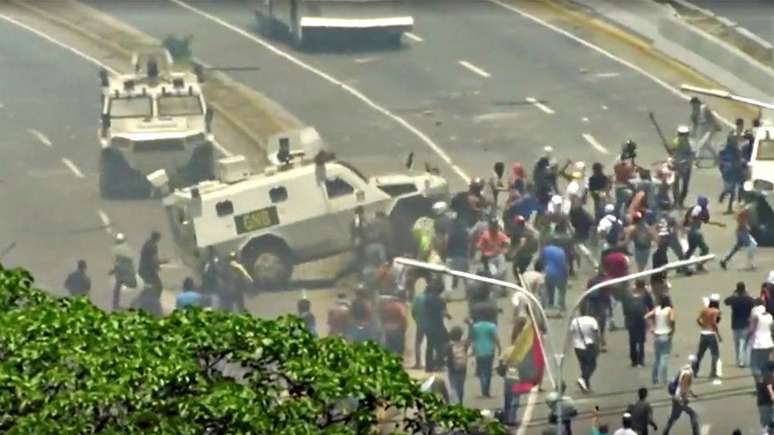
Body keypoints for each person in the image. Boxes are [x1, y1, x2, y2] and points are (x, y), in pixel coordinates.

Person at [500, 317, 528, 427]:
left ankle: (507, 417)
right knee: (515, 399)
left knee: (507, 398)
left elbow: (501, 362)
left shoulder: (508, 350)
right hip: (518, 378)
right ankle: (512, 418)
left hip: (508, 377)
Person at [663, 356, 700, 435]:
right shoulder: (688, 373)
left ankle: (665, 432)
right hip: (680, 399)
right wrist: (682, 400)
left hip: (677, 397)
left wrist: (693, 394)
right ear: (694, 364)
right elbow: (683, 386)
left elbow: (682, 385)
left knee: (674, 417)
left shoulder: (683, 369)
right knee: (693, 414)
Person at [470, 306, 500, 397]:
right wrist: (499, 347)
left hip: (479, 350)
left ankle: (483, 387)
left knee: (481, 369)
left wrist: (473, 350)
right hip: (490, 350)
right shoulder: (491, 326)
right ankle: (486, 389)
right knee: (488, 370)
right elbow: (495, 338)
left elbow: (473, 339)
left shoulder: (475, 326)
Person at [645, 295, 675, 385]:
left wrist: (652, 327)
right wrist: (672, 329)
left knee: (657, 358)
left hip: (657, 335)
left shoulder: (657, 309)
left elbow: (646, 316)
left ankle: (654, 378)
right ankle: (663, 379)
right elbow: (672, 320)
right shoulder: (670, 310)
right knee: (664, 357)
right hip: (666, 334)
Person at [623, 279, 654, 367]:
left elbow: (624, 307)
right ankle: (640, 360)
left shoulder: (628, 293)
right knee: (641, 339)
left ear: (635, 284)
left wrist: (626, 316)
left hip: (630, 319)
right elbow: (651, 306)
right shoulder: (645, 293)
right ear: (643, 285)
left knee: (632, 339)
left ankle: (633, 360)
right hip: (641, 319)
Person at [723, 282, 754, 367]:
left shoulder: (734, 299)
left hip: (735, 324)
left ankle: (738, 360)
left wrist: (733, 294)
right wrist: (747, 294)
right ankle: (743, 360)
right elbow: (754, 303)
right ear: (744, 289)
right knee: (744, 343)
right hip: (746, 324)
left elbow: (725, 301)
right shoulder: (748, 299)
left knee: (737, 344)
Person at [571, 304, 600, 392]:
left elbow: (571, 332)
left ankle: (586, 385)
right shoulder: (592, 320)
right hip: (589, 345)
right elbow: (596, 334)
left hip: (577, 346)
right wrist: (598, 346)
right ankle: (582, 378)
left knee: (583, 366)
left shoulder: (575, 321)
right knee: (592, 365)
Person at [692, 294, 721, 379]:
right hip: (711, 334)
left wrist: (702, 325)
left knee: (700, 354)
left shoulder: (704, 310)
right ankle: (713, 372)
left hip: (703, 334)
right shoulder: (716, 311)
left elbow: (698, 320)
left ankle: (695, 370)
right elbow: (714, 323)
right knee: (715, 354)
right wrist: (718, 335)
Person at [424, 278, 449, 372]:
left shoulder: (427, 298)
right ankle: (439, 362)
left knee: (429, 346)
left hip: (428, 324)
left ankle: (429, 366)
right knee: (442, 344)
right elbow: (443, 313)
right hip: (438, 324)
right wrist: (448, 315)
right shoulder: (440, 300)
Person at [137, 231, 164, 315]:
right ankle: (152, 303)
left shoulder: (147, 243)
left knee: (151, 286)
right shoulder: (152, 246)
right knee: (158, 286)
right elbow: (152, 260)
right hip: (148, 270)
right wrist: (157, 266)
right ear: (157, 238)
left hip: (144, 269)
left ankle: (147, 302)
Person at [109, 233, 137, 311]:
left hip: (121, 272)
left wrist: (112, 270)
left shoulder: (116, 249)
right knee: (133, 285)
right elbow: (132, 259)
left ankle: (115, 304)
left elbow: (116, 262)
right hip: (128, 271)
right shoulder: (127, 248)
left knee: (117, 288)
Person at [668, 125, 694, 209]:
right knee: (675, 184)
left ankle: (681, 201)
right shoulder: (675, 142)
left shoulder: (690, 143)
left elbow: (692, 154)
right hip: (677, 165)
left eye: (684, 134)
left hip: (686, 166)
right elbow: (671, 151)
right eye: (681, 134)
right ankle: (676, 201)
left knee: (685, 186)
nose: (683, 136)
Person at [750, 301, 774, 382]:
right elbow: (771, 329)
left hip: (757, 344)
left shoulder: (756, 315)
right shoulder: (769, 316)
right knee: (766, 365)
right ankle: (767, 384)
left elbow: (751, 329)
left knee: (755, 365)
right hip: (768, 343)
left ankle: (760, 384)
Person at [378, 290, 408, 357]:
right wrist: (405, 327)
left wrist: (383, 325)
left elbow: (382, 317)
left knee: (389, 348)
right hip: (397, 329)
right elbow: (403, 317)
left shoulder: (386, 307)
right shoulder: (400, 306)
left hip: (387, 329)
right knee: (399, 348)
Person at [541, 243, 568, 312]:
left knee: (549, 288)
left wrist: (544, 269)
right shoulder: (562, 252)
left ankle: (550, 303)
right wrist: (566, 275)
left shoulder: (546, 249)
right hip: (559, 274)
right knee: (562, 290)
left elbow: (542, 260)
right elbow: (563, 265)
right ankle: (561, 305)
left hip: (548, 273)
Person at [445, 325, 469, 405]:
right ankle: (460, 403)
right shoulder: (464, 344)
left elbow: (446, 357)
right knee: (461, 386)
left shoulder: (449, 345)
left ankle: (456, 404)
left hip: (453, 369)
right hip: (463, 368)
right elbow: (471, 338)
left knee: (454, 387)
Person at [411, 285, 427, 369]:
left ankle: (418, 363)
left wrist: (416, 320)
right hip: (431, 323)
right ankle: (432, 363)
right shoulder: (433, 298)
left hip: (420, 323)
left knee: (417, 343)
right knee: (432, 344)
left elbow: (413, 312)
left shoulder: (417, 298)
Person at [756, 361, 774, 433]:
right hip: (765, 401)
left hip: (764, 401)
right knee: (766, 423)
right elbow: (769, 384)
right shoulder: (767, 371)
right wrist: (772, 394)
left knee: (766, 422)